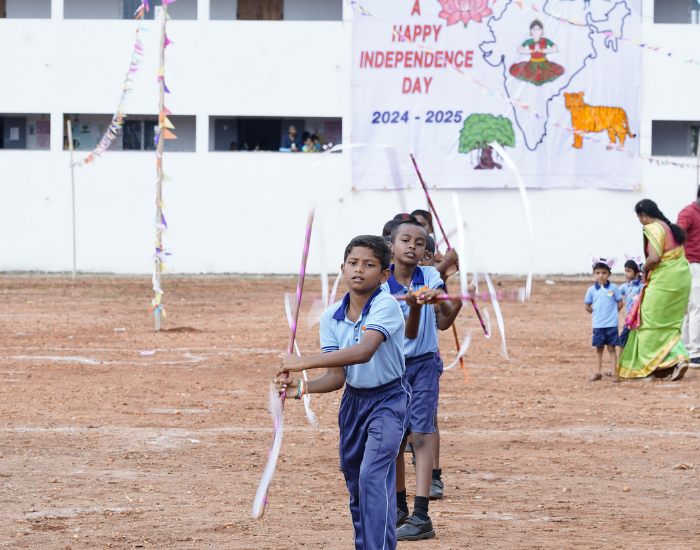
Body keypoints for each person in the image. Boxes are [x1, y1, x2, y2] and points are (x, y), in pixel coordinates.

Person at [275, 235, 410, 550]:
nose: (359, 269)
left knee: (371, 475)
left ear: (384, 275)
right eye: (353, 263)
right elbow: (337, 377)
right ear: (343, 268)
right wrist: (303, 387)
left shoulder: (386, 305)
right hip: (353, 403)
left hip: (389, 400)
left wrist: (302, 362)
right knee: (356, 482)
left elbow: (364, 351)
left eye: (369, 264)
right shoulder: (331, 316)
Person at [382, 220, 462, 540]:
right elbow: (406, 330)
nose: (413, 247)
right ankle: (400, 508)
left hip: (424, 365)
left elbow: (445, 309)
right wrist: (412, 305)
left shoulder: (428, 275)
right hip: (392, 367)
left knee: (420, 436)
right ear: (391, 246)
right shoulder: (382, 283)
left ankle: (421, 515)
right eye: (406, 240)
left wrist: (441, 298)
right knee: (395, 440)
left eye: (420, 243)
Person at [618, 199, 692, 381]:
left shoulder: (653, 228)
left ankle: (645, 369)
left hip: (664, 281)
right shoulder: (668, 227)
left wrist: (642, 269)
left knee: (647, 321)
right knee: (669, 323)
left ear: (643, 215)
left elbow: (654, 257)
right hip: (681, 279)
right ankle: (677, 358)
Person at [584, 258, 623, 382]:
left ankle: (615, 372)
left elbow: (620, 303)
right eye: (598, 273)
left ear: (609, 274)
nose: (601, 275)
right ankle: (597, 372)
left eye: (604, 273)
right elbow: (587, 306)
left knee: (612, 348)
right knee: (599, 348)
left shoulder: (614, 288)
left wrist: (612, 314)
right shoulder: (591, 290)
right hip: (598, 324)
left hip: (611, 324)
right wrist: (596, 314)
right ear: (594, 274)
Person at [676, 189, 700, 365]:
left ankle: (685, 350)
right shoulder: (689, 212)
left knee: (690, 309)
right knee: (695, 308)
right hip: (691, 265)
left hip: (692, 265)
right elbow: (676, 234)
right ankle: (694, 352)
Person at [509, 20, 565, 86]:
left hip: (544, 63)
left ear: (541, 30)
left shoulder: (545, 40)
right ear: (531, 31)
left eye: (538, 29)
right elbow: (519, 50)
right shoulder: (528, 41)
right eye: (534, 29)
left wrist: (541, 50)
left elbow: (555, 49)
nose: (536, 31)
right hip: (532, 63)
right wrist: (532, 51)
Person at [618, 258, 643, 349]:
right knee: (622, 341)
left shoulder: (641, 286)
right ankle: (620, 359)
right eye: (625, 271)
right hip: (629, 320)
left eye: (629, 271)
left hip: (639, 321)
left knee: (638, 342)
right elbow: (615, 293)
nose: (626, 274)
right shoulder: (626, 286)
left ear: (637, 273)